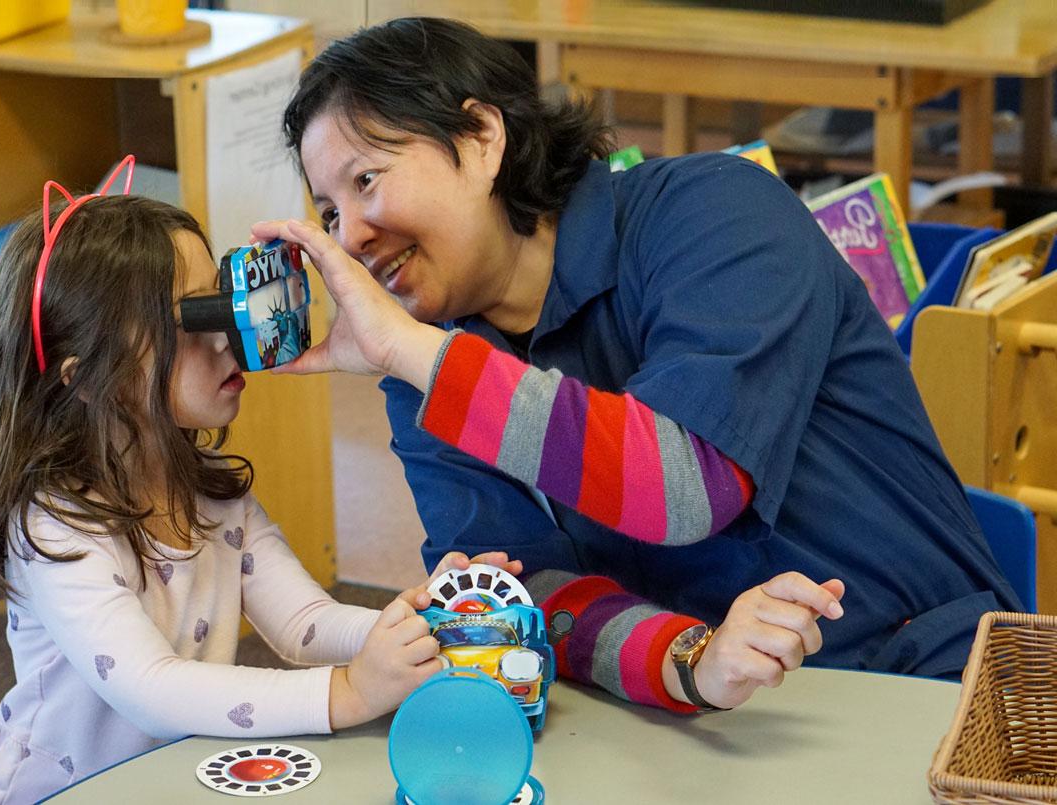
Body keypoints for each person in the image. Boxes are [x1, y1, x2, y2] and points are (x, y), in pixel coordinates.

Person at [251, 17, 1021, 713]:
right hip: (706, 718)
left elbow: (684, 483)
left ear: (483, 138)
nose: (348, 236)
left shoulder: (719, 212)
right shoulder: (429, 362)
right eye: (327, 212)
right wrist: (691, 658)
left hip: (928, 686)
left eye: (366, 180)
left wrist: (416, 354)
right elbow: (530, 591)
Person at [0, 162, 492, 803]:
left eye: (222, 305)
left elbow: (304, 623)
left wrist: (409, 630)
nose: (229, 340)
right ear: (91, 379)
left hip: (172, 784)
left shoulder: (213, 491)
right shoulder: (55, 526)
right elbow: (153, 688)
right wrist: (348, 691)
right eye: (191, 323)